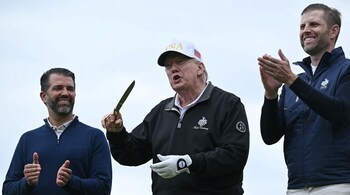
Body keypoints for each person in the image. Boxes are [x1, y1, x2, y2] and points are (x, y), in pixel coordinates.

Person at [102, 40, 250, 194]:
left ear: (200, 68)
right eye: (168, 66)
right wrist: (116, 133)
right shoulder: (161, 111)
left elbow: (235, 156)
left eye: (180, 62)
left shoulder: (228, 104)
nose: (173, 69)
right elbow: (130, 155)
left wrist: (188, 162)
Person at [258, 3, 350, 195]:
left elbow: (341, 113)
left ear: (334, 31)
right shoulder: (295, 82)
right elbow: (270, 136)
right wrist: (271, 95)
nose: (306, 30)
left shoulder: (346, 70)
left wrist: (291, 80)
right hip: (296, 187)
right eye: (302, 26)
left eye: (314, 24)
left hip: (338, 184)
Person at [2, 68, 112, 195]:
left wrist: (71, 182)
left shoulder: (94, 137)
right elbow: (7, 190)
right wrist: (26, 183)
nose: (65, 93)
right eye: (58, 88)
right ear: (44, 97)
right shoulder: (27, 139)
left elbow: (104, 188)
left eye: (70, 89)